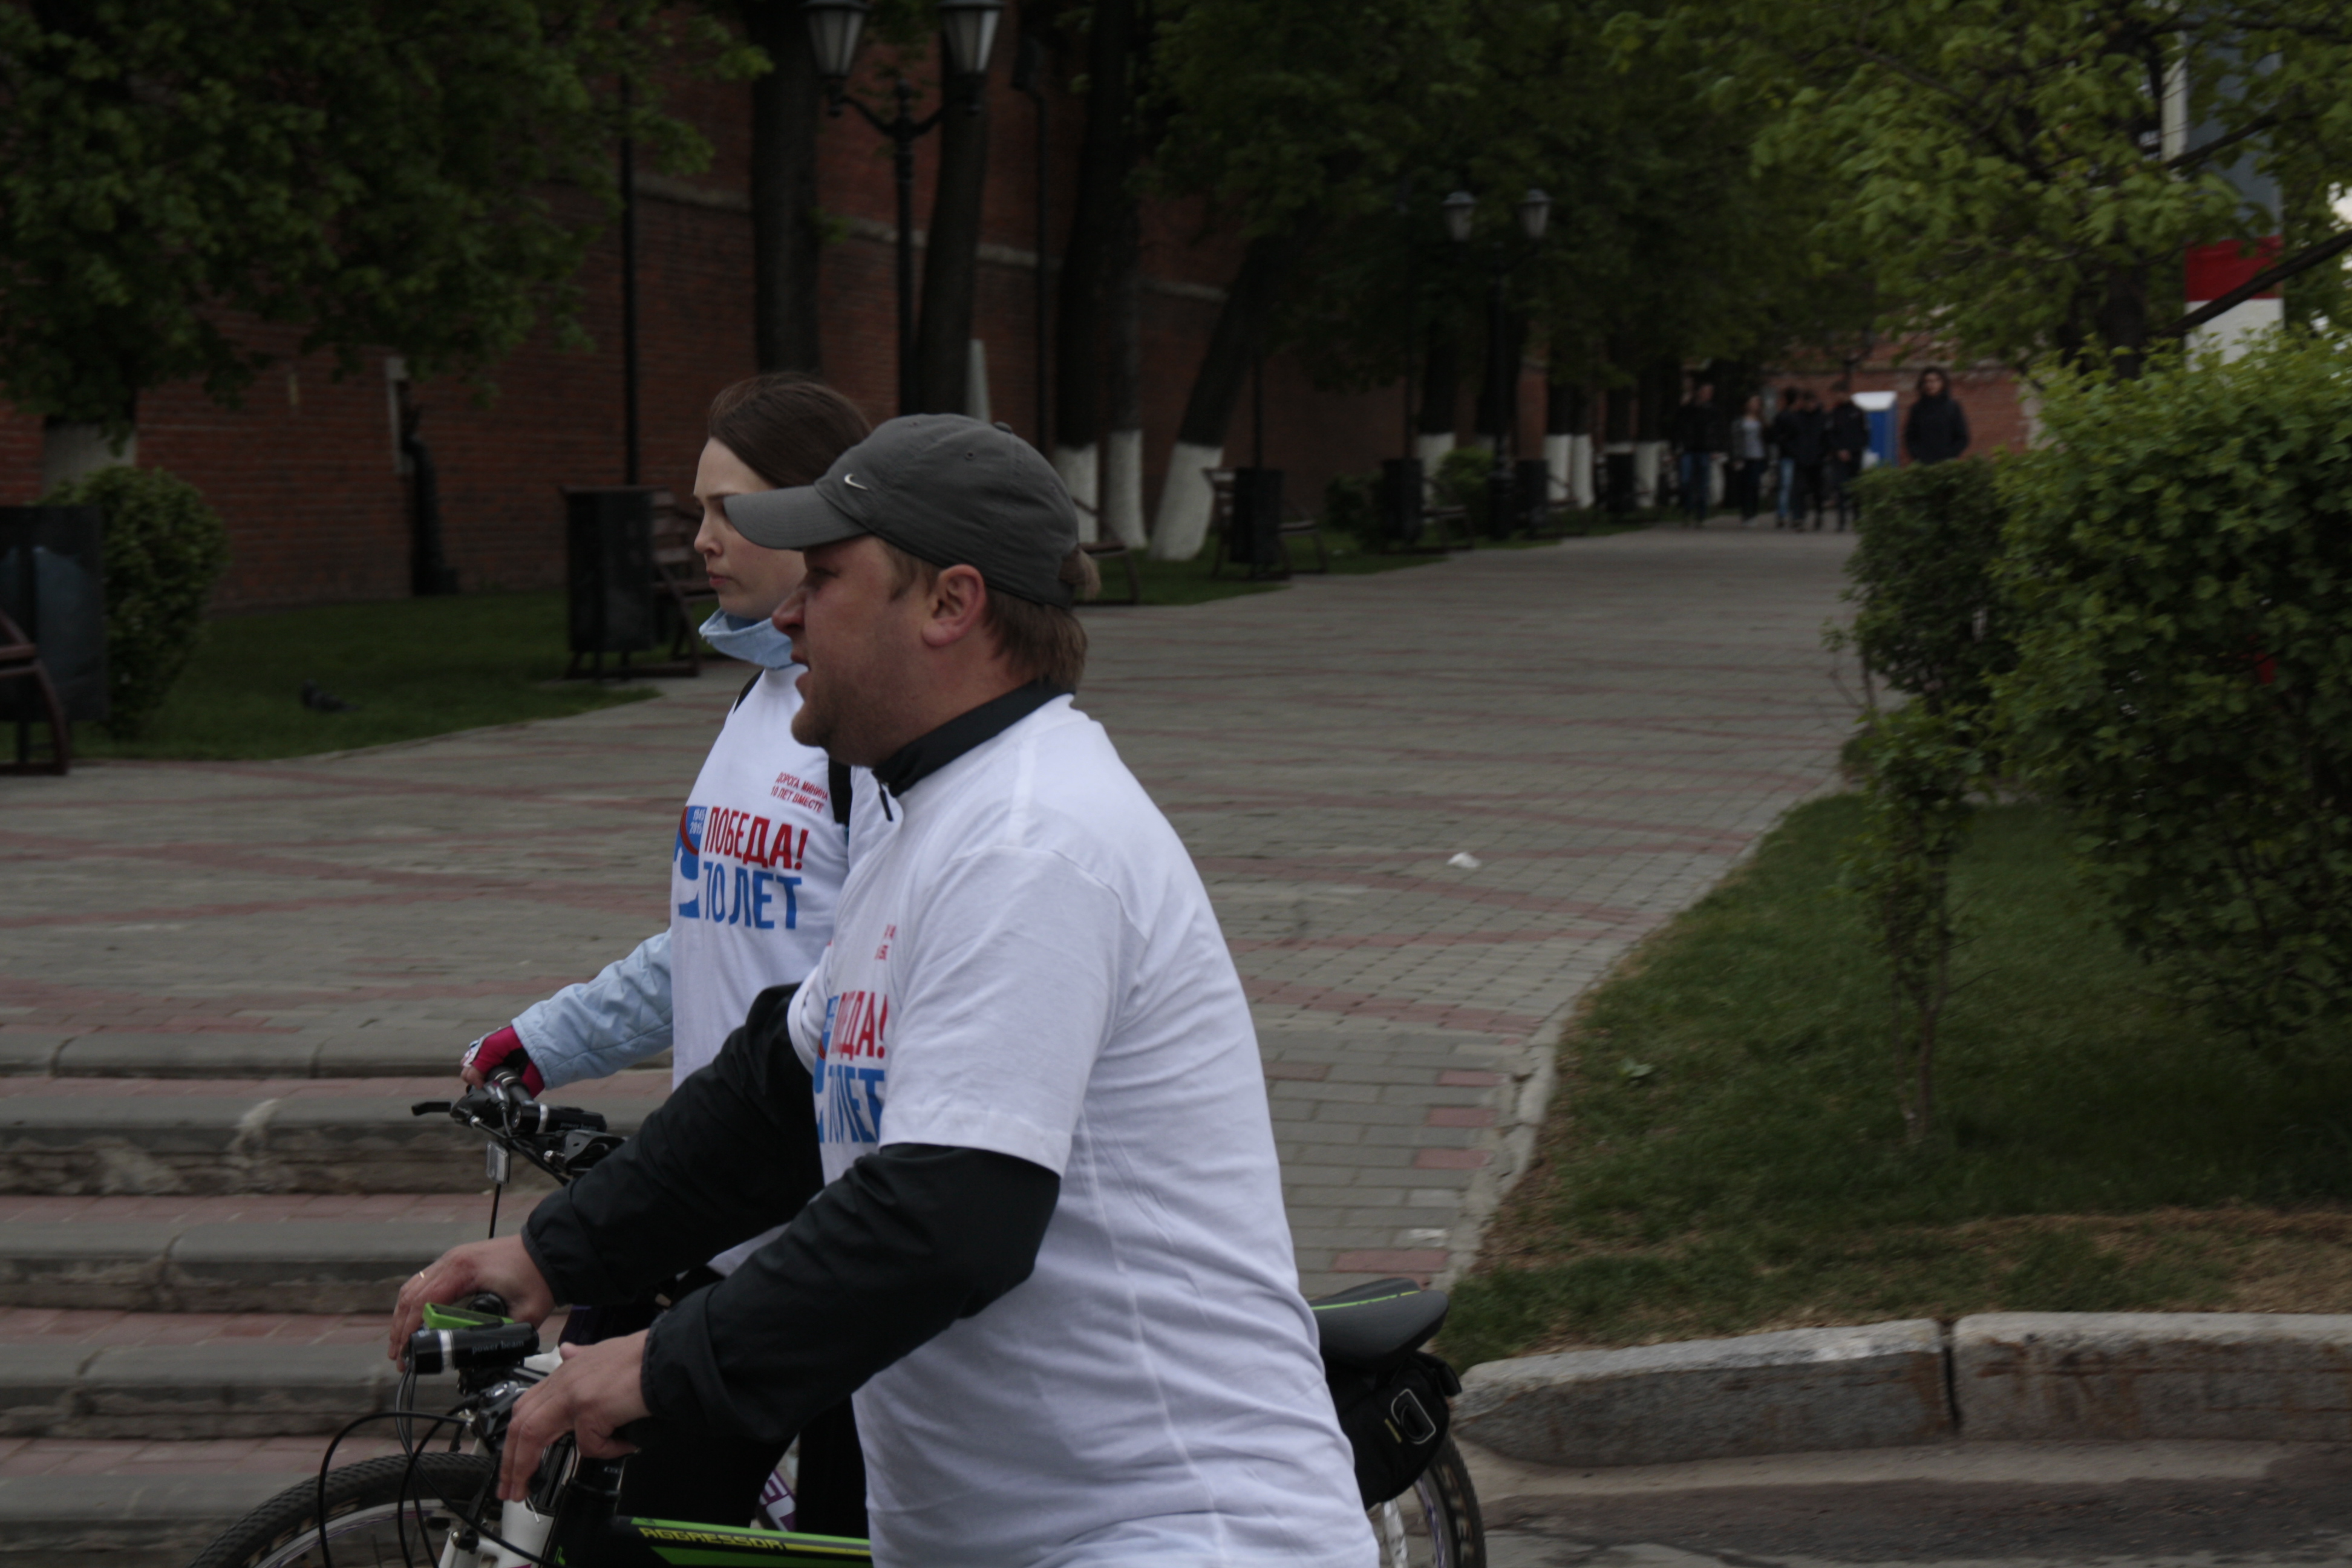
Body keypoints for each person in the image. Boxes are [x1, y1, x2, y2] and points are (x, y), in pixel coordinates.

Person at [394, 415, 1378, 1568]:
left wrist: (663, 1362)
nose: (787, 612)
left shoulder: (1031, 843)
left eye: (822, 576)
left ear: (949, 604)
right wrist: (555, 1253)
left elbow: (945, 1218)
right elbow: (773, 1096)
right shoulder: (927, 819)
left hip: (1172, 1533)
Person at [455, 372, 875, 1538]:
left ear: (815, 516)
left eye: (729, 509)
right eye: (696, 509)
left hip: (826, 1242)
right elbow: (706, 937)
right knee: (646, 1520)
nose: (700, 539)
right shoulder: (759, 702)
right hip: (716, 1218)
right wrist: (547, 1039)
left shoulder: (864, 729)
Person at [1670, 381, 1722, 525]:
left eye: (1710, 392)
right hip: (1688, 449)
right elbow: (1677, 427)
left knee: (1703, 483)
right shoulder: (1688, 409)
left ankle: (1701, 515)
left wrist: (1715, 448)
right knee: (1685, 481)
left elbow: (1716, 431)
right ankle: (1687, 510)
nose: (1708, 395)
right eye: (1706, 392)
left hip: (1705, 450)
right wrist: (1675, 447)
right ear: (1699, 392)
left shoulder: (1713, 410)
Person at [1904, 365, 1971, 464]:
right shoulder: (1917, 409)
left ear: (1943, 383)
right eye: (1927, 381)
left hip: (1948, 463)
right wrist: (1919, 456)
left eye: (1936, 381)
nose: (1931, 385)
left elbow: (1962, 437)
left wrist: (1950, 455)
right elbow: (1910, 437)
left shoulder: (1953, 407)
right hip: (1923, 464)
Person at [1826, 390, 1870, 532]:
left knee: (1856, 488)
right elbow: (1830, 435)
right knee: (1840, 488)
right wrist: (1839, 450)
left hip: (1855, 455)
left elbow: (1865, 434)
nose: (1840, 396)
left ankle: (1857, 519)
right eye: (1838, 394)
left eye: (1843, 394)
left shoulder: (1858, 412)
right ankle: (1841, 521)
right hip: (1839, 457)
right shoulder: (1834, 413)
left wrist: (1855, 450)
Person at [1788, 390, 1830, 530]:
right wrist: (1795, 452)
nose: (1812, 405)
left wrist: (1822, 453)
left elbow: (1826, 438)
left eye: (1814, 402)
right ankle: (1799, 518)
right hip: (1801, 460)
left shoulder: (1822, 418)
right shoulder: (1796, 418)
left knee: (1817, 490)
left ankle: (1819, 513)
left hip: (1817, 460)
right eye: (1810, 402)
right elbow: (1790, 438)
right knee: (1800, 490)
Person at [1768, 385, 1804, 528]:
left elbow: (1775, 436)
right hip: (1792, 455)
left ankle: (1783, 515)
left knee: (1786, 487)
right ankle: (1791, 515)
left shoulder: (1783, 416)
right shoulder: (1793, 417)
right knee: (1790, 487)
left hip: (1788, 455)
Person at [1729, 394, 1767, 526]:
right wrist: (1735, 458)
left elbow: (1766, 438)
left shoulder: (1761, 420)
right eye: (1752, 402)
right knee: (1744, 486)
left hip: (1758, 456)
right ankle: (1745, 513)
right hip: (1744, 457)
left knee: (1754, 485)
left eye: (1757, 402)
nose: (1754, 405)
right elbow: (1735, 440)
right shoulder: (1739, 422)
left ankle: (1753, 513)